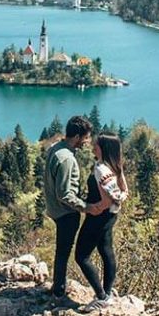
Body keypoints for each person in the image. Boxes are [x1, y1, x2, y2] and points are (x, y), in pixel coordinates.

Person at [43, 115, 102, 302]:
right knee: (64, 250)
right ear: (76, 137)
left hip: (54, 209)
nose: (87, 142)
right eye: (85, 138)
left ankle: (57, 285)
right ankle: (59, 290)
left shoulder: (55, 148)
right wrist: (87, 207)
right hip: (66, 213)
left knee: (61, 249)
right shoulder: (66, 159)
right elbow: (65, 194)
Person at [75, 133, 129, 312]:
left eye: (96, 145)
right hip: (110, 216)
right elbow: (122, 191)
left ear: (103, 149)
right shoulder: (115, 166)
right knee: (106, 251)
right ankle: (107, 292)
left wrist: (91, 207)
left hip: (99, 217)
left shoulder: (101, 170)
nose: (92, 147)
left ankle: (102, 297)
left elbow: (107, 200)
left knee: (81, 256)